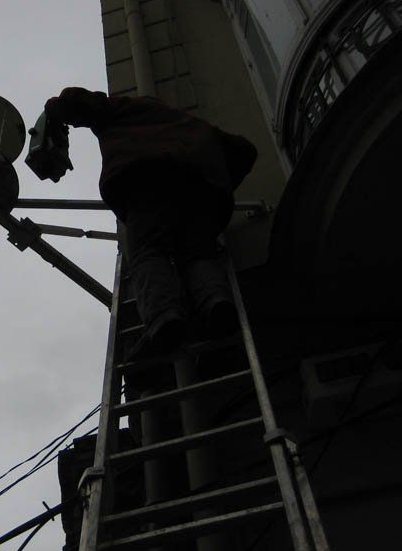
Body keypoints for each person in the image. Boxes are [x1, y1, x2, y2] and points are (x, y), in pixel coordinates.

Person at [43, 87, 257, 359]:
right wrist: (218, 181)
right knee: (197, 252)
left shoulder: (120, 109)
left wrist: (53, 110)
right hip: (202, 193)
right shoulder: (191, 126)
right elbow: (246, 151)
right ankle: (216, 302)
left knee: (148, 252)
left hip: (147, 183)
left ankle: (164, 318)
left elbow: (79, 101)